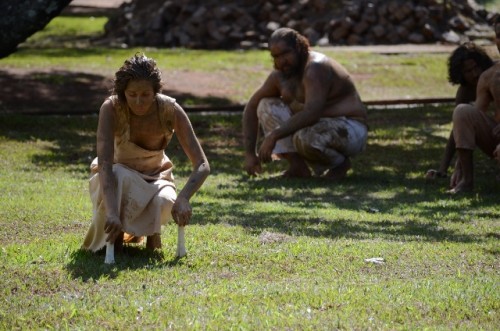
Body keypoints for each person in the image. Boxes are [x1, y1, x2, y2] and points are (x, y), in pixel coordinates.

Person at [82, 53, 210, 253]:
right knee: (120, 176)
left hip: (156, 177)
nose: (139, 102)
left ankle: (152, 235)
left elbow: (202, 164)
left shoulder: (169, 109)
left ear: (156, 92)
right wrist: (112, 213)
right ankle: (114, 239)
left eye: (145, 95)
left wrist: (184, 197)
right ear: (123, 92)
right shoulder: (111, 108)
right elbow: (106, 164)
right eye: (132, 95)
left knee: (167, 201)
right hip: (116, 176)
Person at [242, 28, 368, 179]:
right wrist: (250, 153)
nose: (282, 61)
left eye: (285, 53)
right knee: (266, 105)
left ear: (300, 47)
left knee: (305, 138)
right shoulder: (280, 76)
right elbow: (251, 107)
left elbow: (312, 113)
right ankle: (298, 168)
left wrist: (273, 136)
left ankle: (339, 164)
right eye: (276, 56)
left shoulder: (316, 67)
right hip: (316, 126)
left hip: (350, 128)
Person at [426, 42, 494, 180]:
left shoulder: (494, 76)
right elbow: (458, 129)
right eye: (469, 71)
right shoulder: (465, 91)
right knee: (461, 113)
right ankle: (466, 180)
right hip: (493, 137)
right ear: (461, 74)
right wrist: (443, 169)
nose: (475, 74)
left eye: (476, 67)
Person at [448, 16, 500, 193]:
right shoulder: (489, 76)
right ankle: (466, 182)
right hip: (496, 139)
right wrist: (458, 166)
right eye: (499, 35)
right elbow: (470, 124)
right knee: (463, 111)